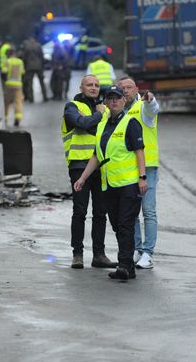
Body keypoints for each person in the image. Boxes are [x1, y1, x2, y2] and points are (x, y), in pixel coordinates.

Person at [74, 85, 148, 281]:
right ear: (105, 102)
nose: (114, 101)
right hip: (109, 185)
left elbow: (139, 151)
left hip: (130, 184)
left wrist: (142, 177)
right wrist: (82, 178)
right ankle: (129, 266)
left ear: (124, 101)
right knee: (117, 225)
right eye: (110, 98)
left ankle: (124, 265)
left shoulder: (130, 123)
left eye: (118, 98)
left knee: (125, 224)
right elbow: (97, 156)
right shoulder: (102, 125)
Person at [61, 74, 116, 270]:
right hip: (79, 166)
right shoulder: (72, 107)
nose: (93, 88)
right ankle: (77, 254)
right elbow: (82, 124)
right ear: (81, 87)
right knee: (80, 211)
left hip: (101, 167)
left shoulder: (102, 108)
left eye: (96, 85)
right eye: (89, 85)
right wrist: (100, 115)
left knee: (101, 212)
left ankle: (99, 255)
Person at [118, 76, 160, 270]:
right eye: (122, 88)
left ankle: (148, 254)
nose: (126, 91)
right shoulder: (119, 112)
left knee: (148, 211)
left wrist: (150, 99)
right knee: (132, 212)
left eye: (129, 87)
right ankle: (137, 248)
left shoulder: (143, 107)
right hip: (129, 168)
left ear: (136, 90)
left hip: (148, 168)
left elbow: (153, 109)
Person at [20, 35, 48, 103]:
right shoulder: (38, 45)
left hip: (29, 67)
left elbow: (24, 57)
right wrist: (43, 66)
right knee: (41, 82)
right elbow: (41, 56)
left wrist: (25, 65)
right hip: (38, 66)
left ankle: (31, 98)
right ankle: (45, 97)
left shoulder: (26, 46)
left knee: (30, 83)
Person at [3, 48, 25, 127]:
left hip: (9, 84)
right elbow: (22, 72)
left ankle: (5, 118)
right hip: (18, 85)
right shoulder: (20, 61)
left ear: (8, 54)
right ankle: (17, 119)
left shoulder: (7, 61)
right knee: (18, 102)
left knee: (7, 102)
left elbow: (4, 71)